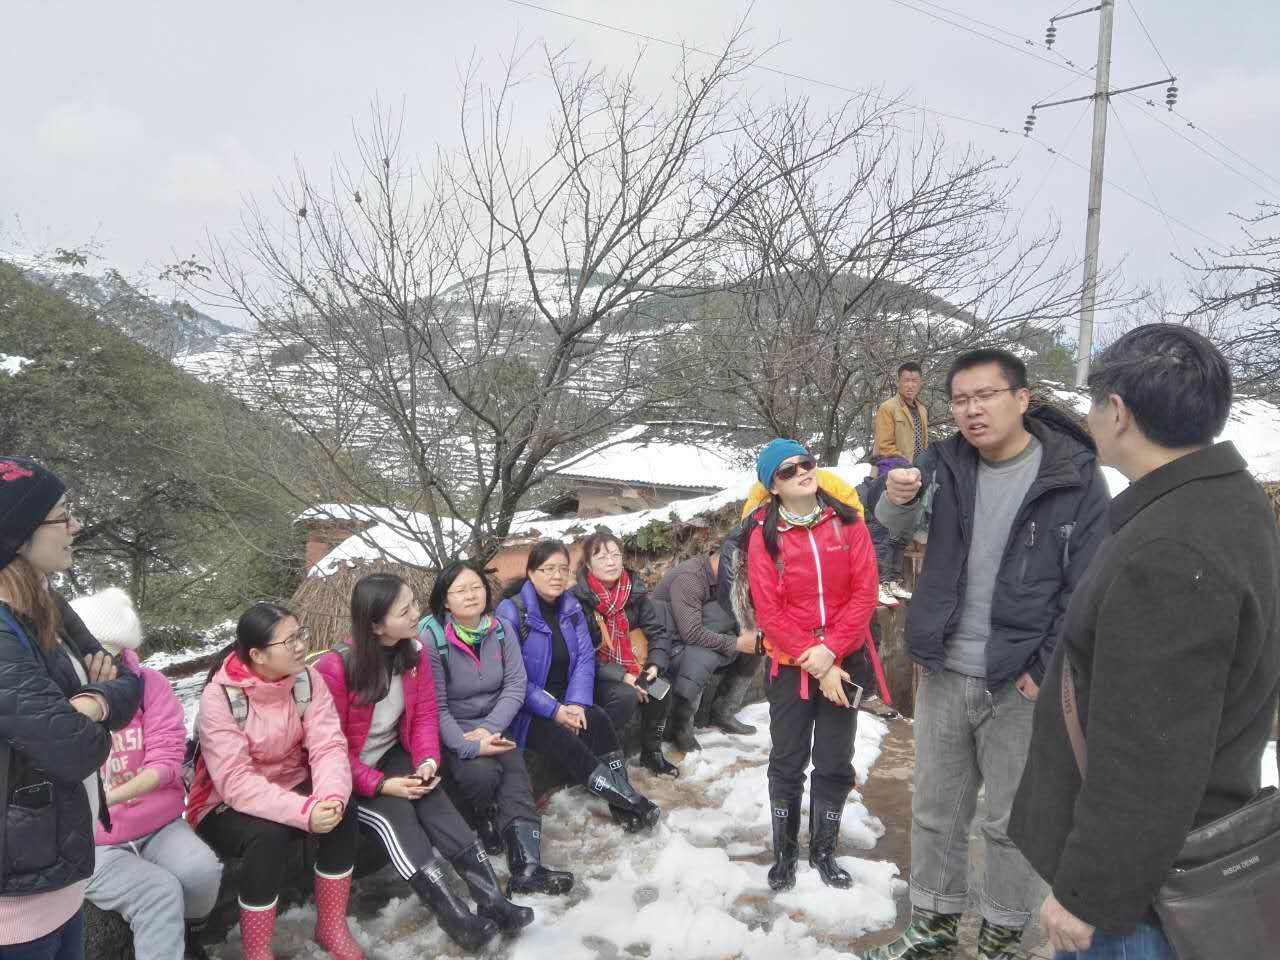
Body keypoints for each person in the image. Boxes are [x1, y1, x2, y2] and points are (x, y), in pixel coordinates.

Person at [1009, 325, 1280, 960]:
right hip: (1173, 854)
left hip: (1144, 898)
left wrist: (1087, 894)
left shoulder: (1169, 552)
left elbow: (1147, 752)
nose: (1087, 417)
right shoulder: (1226, 500)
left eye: (1093, 402)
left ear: (1120, 412)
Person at [865, 348, 1110, 960]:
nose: (972, 410)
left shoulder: (1073, 474)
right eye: (960, 400)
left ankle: (1002, 936)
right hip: (945, 669)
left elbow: (1089, 586)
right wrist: (897, 494)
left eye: (985, 396)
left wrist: (1044, 668)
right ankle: (932, 929)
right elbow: (893, 526)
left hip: (1021, 681)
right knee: (935, 811)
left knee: (1012, 823)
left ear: (1021, 399)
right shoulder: (944, 463)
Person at [315, 573, 527, 951]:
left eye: (414, 603)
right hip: (345, 775)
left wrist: (427, 760)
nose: (417, 613)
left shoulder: (413, 652)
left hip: (391, 755)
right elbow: (324, 750)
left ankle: (493, 900)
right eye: (404, 611)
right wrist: (380, 785)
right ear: (375, 624)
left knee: (435, 802)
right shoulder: (335, 668)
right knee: (398, 820)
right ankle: (455, 918)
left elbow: (426, 715)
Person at [0, 458, 142, 960]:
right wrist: (98, 705)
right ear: (19, 534)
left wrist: (90, 702)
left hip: (59, 874)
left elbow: (129, 682)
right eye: (61, 515)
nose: (75, 525)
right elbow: (73, 749)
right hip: (13, 904)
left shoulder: (48, 605)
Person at [187, 603, 362, 960]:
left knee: (343, 810)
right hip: (223, 803)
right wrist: (304, 811)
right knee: (267, 835)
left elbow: (328, 746)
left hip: (289, 785)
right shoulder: (220, 697)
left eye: (301, 635)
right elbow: (235, 781)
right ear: (257, 655)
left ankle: (331, 925)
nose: (301, 646)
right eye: (289, 641)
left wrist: (330, 798)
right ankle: (257, 950)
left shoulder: (307, 681)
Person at [743, 440, 879, 893]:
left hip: (845, 659)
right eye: (787, 470)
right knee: (787, 759)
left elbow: (865, 593)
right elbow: (769, 611)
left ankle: (824, 850)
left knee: (835, 759)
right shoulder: (764, 536)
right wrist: (818, 661)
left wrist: (832, 650)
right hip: (791, 665)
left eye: (806, 462)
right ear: (773, 486)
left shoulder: (848, 522)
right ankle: (784, 852)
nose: (802, 471)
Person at [74, 588, 222, 960]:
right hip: (89, 840)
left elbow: (166, 759)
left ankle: (190, 939)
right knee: (158, 892)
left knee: (201, 871)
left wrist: (111, 797)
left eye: (113, 652)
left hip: (157, 823)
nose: (106, 663)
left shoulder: (149, 685)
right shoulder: (58, 693)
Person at [419, 561, 574, 898]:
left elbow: (516, 685)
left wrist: (491, 729)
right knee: (481, 774)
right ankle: (484, 816)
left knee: (515, 775)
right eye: (460, 590)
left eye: (476, 587)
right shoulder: (431, 639)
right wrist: (469, 746)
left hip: (497, 723)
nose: (471, 595)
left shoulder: (500, 630)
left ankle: (526, 868)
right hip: (456, 729)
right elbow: (435, 707)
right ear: (445, 599)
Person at [497, 540, 660, 833]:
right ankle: (634, 803)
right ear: (531, 573)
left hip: (567, 697)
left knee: (598, 720)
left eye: (563, 569)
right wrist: (555, 710)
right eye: (548, 569)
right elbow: (514, 678)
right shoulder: (512, 612)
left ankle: (621, 802)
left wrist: (576, 703)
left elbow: (585, 659)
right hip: (526, 706)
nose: (557, 576)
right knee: (566, 740)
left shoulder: (570, 607)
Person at [570, 531, 680, 776]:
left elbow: (658, 633)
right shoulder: (577, 601)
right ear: (588, 565)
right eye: (602, 557)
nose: (611, 562)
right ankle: (601, 759)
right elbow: (579, 654)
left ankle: (651, 753)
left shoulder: (634, 593)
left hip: (633, 665)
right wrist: (623, 676)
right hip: (595, 673)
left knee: (661, 689)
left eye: (615, 555)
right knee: (624, 696)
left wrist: (653, 666)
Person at [651, 549, 761, 751]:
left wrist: (747, 632)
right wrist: (736, 643)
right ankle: (682, 727)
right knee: (703, 655)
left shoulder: (727, 579)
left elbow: (735, 615)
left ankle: (723, 712)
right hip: (668, 645)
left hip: (697, 637)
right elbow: (692, 633)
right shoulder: (690, 578)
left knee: (754, 647)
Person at [872, 361, 929, 607]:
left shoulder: (921, 409)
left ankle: (894, 579)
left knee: (902, 529)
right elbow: (884, 446)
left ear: (920, 383)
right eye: (906, 380)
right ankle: (879, 582)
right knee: (884, 527)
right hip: (891, 473)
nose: (910, 385)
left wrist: (922, 469)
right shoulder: (888, 408)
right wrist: (907, 467)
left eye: (915, 381)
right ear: (898, 382)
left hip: (913, 476)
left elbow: (923, 446)